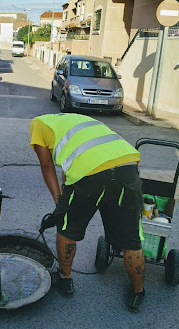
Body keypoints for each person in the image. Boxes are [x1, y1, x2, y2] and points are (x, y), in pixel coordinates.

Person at [29, 113, 146, 312]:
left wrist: (60, 205)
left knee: (67, 228)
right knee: (131, 239)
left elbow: (46, 166)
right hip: (128, 169)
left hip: (90, 175)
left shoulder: (37, 123)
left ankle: (64, 279)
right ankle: (138, 291)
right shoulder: (80, 120)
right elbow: (71, 163)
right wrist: (66, 191)